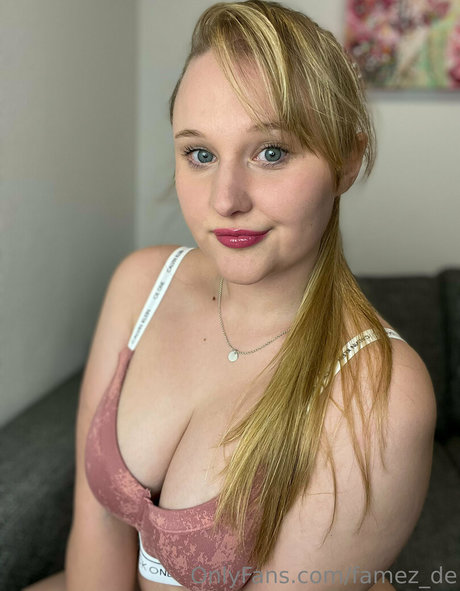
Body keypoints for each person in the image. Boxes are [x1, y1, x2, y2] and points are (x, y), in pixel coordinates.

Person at [23, 1, 436, 590]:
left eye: (271, 152)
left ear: (348, 160)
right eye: (200, 154)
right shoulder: (141, 285)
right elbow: (97, 523)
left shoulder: (381, 393)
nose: (225, 200)